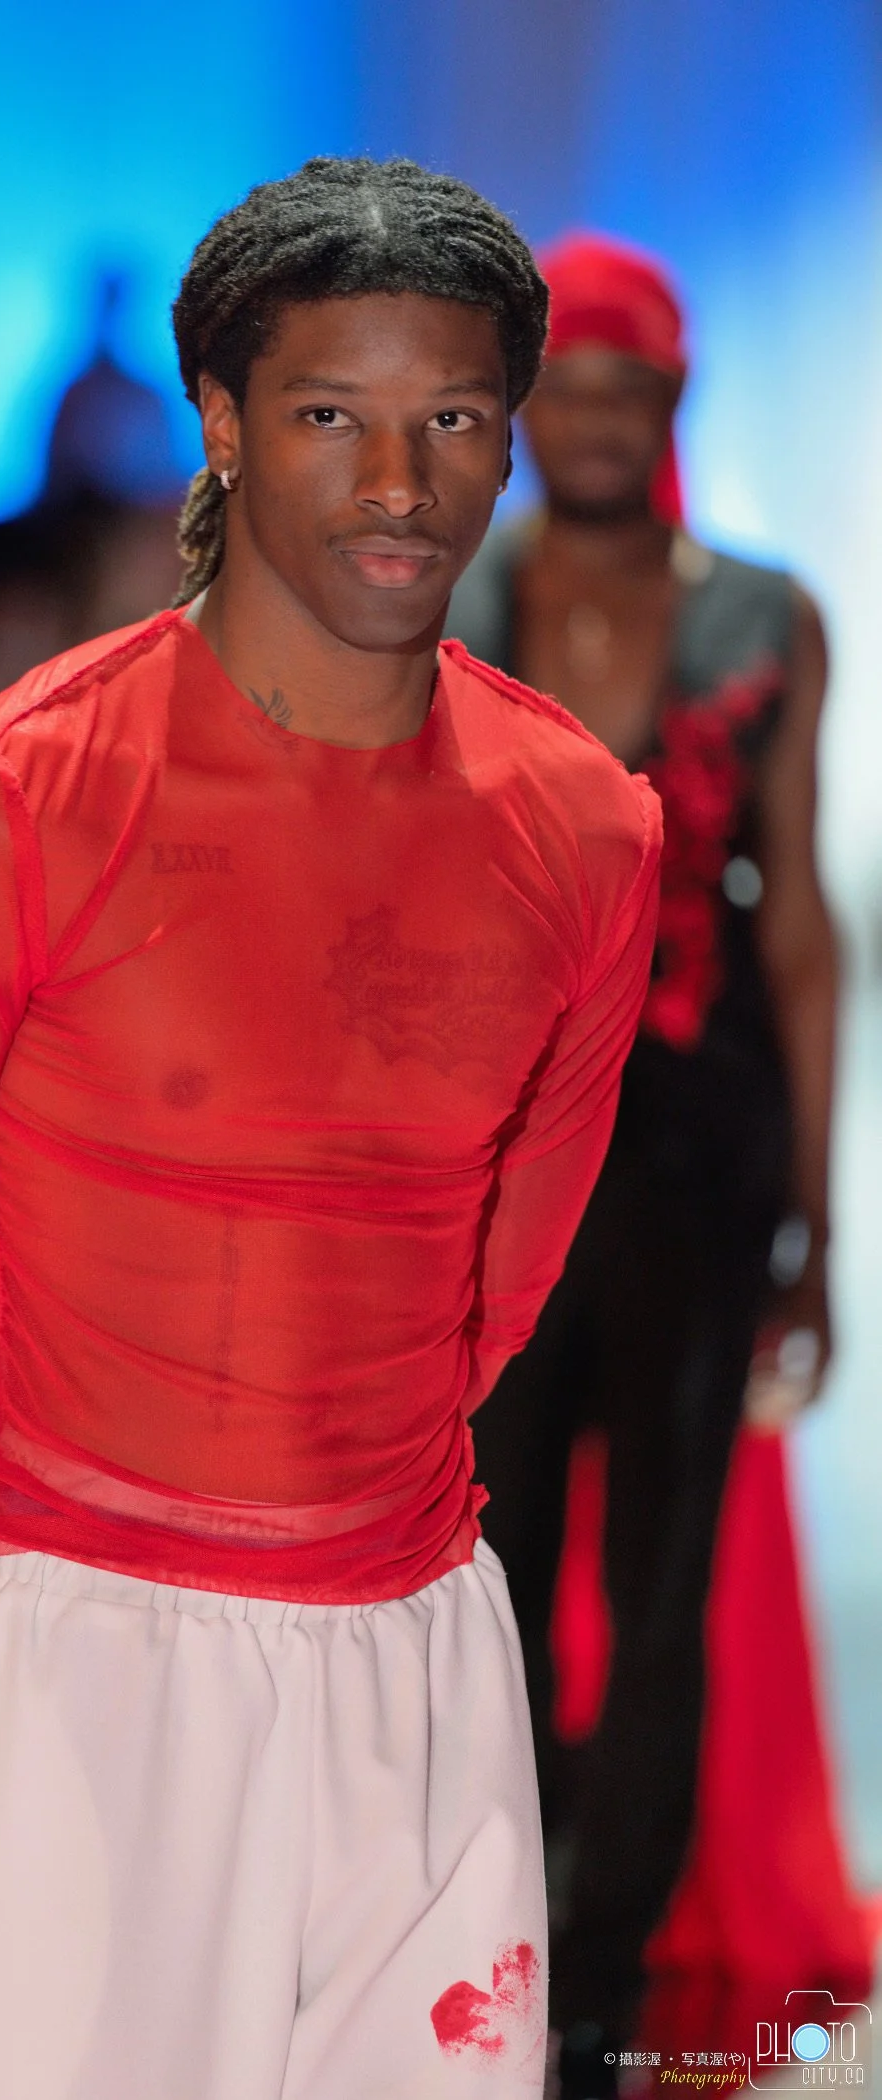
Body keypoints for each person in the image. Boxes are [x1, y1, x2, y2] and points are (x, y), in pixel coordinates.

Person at [0, 159, 662, 2100]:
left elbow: (496, 1276)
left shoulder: (586, 832)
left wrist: (340, 1491)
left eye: (447, 419)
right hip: (63, 1657)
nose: (391, 482)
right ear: (220, 424)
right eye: (327, 416)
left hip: (411, 1653)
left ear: (506, 439)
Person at [445, 233, 838, 2094]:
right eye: (570, 388)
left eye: (633, 389)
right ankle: (497, 1938)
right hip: (488, 1153)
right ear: (530, 411)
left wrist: (823, 1225)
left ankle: (603, 1989)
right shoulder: (447, 596)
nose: (599, 422)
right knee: (485, 1570)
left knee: (667, 1579)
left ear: (674, 406)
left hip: (698, 1158)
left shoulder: (766, 617)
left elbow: (802, 926)